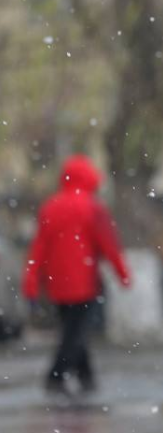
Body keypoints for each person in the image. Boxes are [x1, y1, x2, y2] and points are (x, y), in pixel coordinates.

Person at [22, 154, 131, 397]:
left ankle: (86, 377)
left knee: (73, 330)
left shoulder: (50, 208)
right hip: (85, 283)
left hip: (56, 285)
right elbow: (109, 245)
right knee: (76, 333)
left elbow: (38, 248)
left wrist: (31, 281)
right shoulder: (93, 209)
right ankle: (56, 376)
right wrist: (122, 274)